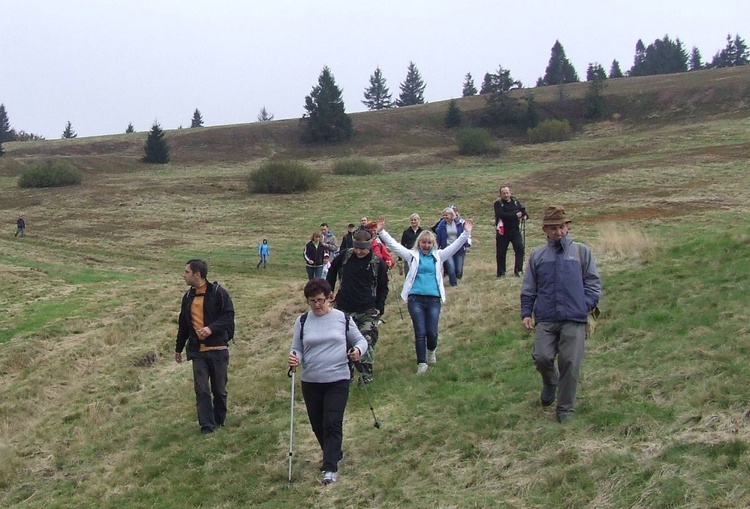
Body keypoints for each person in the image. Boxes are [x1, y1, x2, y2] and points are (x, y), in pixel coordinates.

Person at [521, 206, 602, 423]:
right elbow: (529, 287)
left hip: (575, 318)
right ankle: (550, 382)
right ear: (545, 230)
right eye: (554, 228)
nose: (559, 232)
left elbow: (593, 284)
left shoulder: (581, 252)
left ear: (568, 227)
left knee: (570, 362)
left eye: (562, 227)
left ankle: (565, 409)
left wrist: (583, 305)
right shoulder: (537, 256)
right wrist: (526, 313)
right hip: (546, 317)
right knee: (541, 357)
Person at [288, 278, 368, 485]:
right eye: (312, 301)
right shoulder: (303, 321)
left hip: (338, 378)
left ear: (330, 298)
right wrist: (294, 357)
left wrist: (357, 350)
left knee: (332, 421)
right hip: (311, 381)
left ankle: (329, 467)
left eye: (321, 300)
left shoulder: (343, 319)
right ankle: (334, 452)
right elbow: (297, 347)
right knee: (318, 425)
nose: (317, 305)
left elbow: (360, 340)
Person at [376, 215, 473, 374]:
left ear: (433, 244)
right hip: (415, 299)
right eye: (423, 242)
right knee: (420, 331)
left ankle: (431, 351)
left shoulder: (439, 256)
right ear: (419, 243)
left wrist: (465, 233)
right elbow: (394, 246)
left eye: (429, 243)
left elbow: (455, 246)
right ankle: (422, 362)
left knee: (432, 332)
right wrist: (382, 232)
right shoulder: (412, 256)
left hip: (434, 299)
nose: (426, 245)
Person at [174, 259, 236, 435]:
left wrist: (211, 329)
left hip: (218, 349)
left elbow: (228, 316)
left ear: (197, 274)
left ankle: (219, 420)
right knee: (201, 390)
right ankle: (207, 426)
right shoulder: (187, 297)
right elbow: (183, 325)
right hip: (197, 352)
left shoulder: (218, 293)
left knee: (219, 390)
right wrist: (178, 348)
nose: (183, 275)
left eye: (186, 272)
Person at [326, 230, 389, 384]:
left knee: (366, 342)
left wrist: (379, 307)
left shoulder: (377, 262)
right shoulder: (345, 256)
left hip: (368, 310)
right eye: (357, 248)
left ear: (369, 246)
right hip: (344, 309)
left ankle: (366, 378)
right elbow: (332, 271)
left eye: (363, 248)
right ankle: (346, 377)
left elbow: (383, 287)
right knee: (344, 344)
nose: (359, 251)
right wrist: (329, 291)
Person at [495, 186, 529, 277]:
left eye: (507, 193)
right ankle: (501, 272)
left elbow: (522, 211)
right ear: (500, 194)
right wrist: (515, 215)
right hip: (503, 232)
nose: (506, 195)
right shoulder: (498, 204)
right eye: (504, 193)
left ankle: (518, 270)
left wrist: (525, 215)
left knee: (520, 249)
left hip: (515, 231)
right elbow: (501, 215)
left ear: (510, 193)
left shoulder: (515, 201)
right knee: (501, 252)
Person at [434, 207, 468, 286]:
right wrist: (437, 246)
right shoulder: (442, 224)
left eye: (446, 215)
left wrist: (466, 245)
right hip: (447, 249)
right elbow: (438, 236)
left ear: (451, 215)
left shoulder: (459, 222)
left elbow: (464, 234)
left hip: (459, 248)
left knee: (459, 269)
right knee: (451, 267)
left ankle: (457, 278)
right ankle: (453, 284)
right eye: (444, 215)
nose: (445, 217)